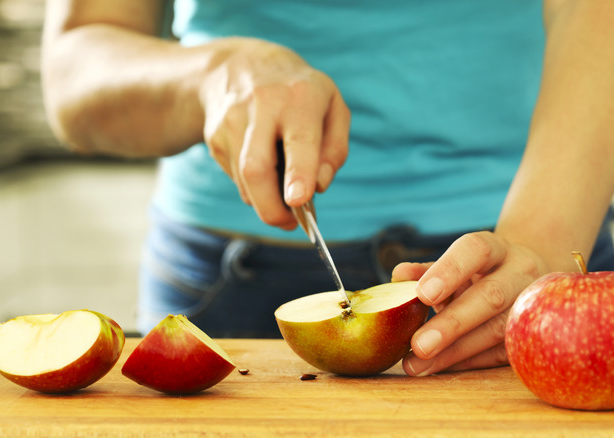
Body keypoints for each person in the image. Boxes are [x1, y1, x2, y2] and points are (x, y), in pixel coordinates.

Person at [40, 0, 614, 377]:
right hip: (227, 279)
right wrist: (210, 75)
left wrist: (541, 241)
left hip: (538, 253)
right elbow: (75, 71)